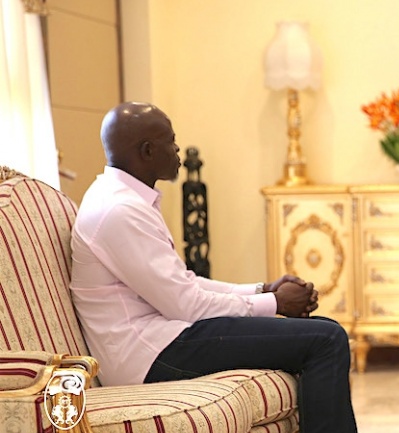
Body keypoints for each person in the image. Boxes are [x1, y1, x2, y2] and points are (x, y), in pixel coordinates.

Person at [70, 101, 357, 433]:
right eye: (170, 140)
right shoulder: (119, 210)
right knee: (326, 338)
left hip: (164, 336)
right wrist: (277, 303)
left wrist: (263, 290)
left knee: (321, 331)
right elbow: (186, 303)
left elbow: (183, 283)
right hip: (151, 353)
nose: (177, 148)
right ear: (147, 151)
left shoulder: (123, 198)